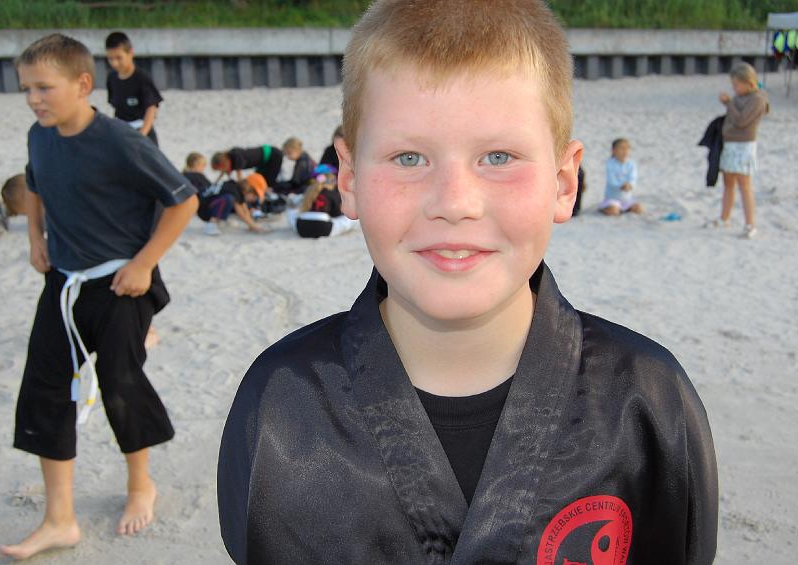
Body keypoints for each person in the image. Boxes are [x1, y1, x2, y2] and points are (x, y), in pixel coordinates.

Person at [217, 2, 718, 564]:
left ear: (563, 181)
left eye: (498, 156)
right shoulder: (278, 407)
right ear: (349, 179)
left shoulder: (649, 404)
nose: (455, 202)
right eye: (409, 157)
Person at [1, 34, 198, 560]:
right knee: (44, 391)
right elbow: (35, 184)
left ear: (82, 84)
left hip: (120, 284)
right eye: (26, 88)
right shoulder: (39, 135)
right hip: (64, 282)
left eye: (44, 87)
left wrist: (144, 263)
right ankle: (59, 519)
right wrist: (35, 237)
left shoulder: (119, 141)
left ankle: (140, 485)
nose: (33, 99)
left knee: (121, 385)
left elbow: (183, 200)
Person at [709, 62, 769, 239]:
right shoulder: (739, 97)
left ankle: (750, 224)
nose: (734, 88)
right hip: (730, 144)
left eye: (737, 84)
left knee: (744, 184)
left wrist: (728, 104)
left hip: (744, 146)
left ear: (748, 82)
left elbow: (742, 121)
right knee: (728, 182)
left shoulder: (758, 99)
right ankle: (724, 218)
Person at [105, 31, 163, 146]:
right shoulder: (112, 78)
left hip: (141, 130)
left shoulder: (142, 78)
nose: (115, 63)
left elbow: (151, 108)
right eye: (110, 59)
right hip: (121, 131)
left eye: (119, 58)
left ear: (131, 53)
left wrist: (142, 134)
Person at [286, 164, 358, 238]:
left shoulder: (308, 192)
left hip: (302, 228)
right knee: (351, 219)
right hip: (324, 228)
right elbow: (336, 214)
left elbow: (302, 209)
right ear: (332, 181)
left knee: (292, 212)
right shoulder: (332, 194)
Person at [600, 138, 643, 215]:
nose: (625, 151)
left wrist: (630, 185)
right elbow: (611, 181)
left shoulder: (631, 164)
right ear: (613, 151)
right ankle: (604, 208)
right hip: (613, 198)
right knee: (614, 211)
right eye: (622, 148)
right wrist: (621, 186)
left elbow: (633, 178)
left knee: (639, 209)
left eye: (627, 148)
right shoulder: (610, 163)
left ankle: (624, 209)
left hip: (627, 199)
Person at [211, 145, 283, 186]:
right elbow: (223, 172)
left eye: (219, 169)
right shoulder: (229, 158)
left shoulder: (236, 156)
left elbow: (239, 177)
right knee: (259, 181)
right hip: (264, 160)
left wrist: (240, 187)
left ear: (222, 164)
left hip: (273, 155)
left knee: (269, 183)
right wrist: (216, 182)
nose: (221, 170)